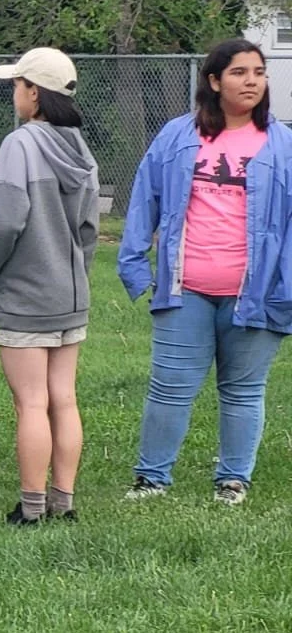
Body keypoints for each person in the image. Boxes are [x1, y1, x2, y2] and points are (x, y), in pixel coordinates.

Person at [118, 39, 292, 505]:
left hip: (256, 295)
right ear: (214, 82)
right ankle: (152, 479)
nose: (252, 80)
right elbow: (144, 200)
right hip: (185, 290)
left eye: (258, 71)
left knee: (243, 391)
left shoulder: (284, 145)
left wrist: (285, 290)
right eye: (239, 72)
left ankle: (233, 481)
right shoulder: (176, 136)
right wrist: (135, 267)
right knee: (169, 389)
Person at [0, 48, 99, 524]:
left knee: (31, 402)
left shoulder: (20, 145)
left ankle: (30, 508)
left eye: (17, 85)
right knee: (63, 398)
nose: (14, 93)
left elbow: (4, 224)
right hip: (70, 297)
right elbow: (88, 230)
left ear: (34, 92)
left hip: (26, 296)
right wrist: (76, 277)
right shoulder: (79, 147)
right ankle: (63, 501)